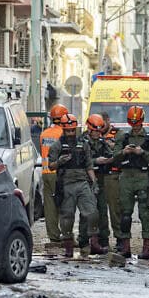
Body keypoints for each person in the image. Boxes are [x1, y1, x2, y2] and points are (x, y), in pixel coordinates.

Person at [112, 105, 149, 259]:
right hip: (126, 176)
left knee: (144, 213)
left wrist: (142, 152)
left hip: (142, 176)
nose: (135, 126)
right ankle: (125, 246)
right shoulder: (122, 137)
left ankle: (146, 248)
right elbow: (115, 157)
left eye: (137, 122)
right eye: (132, 123)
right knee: (125, 213)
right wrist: (124, 152)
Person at [52, 114, 99, 258]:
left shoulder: (83, 144)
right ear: (63, 130)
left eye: (73, 130)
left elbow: (89, 165)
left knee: (91, 213)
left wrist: (94, 182)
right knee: (67, 218)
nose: (71, 134)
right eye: (68, 131)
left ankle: (92, 243)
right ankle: (68, 247)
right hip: (66, 184)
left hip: (82, 182)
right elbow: (51, 165)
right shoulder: (57, 145)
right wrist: (59, 161)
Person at [79, 114, 112, 254]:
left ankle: (103, 241)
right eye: (95, 131)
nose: (98, 133)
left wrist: (109, 159)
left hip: (101, 178)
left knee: (102, 212)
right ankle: (84, 242)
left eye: (100, 131)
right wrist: (95, 161)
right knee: (87, 212)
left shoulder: (102, 142)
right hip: (86, 180)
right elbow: (79, 160)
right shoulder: (81, 142)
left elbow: (111, 155)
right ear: (89, 128)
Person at [40, 105, 68, 252]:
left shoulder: (44, 134)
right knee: (64, 204)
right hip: (59, 173)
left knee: (50, 206)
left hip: (46, 173)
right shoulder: (64, 134)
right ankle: (66, 235)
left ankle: (54, 236)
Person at [99, 111, 125, 251]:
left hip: (113, 175)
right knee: (100, 210)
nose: (99, 128)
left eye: (102, 124)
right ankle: (103, 240)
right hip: (98, 175)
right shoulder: (92, 133)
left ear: (107, 120)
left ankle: (120, 238)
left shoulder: (118, 134)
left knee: (115, 209)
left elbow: (121, 152)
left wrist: (110, 146)